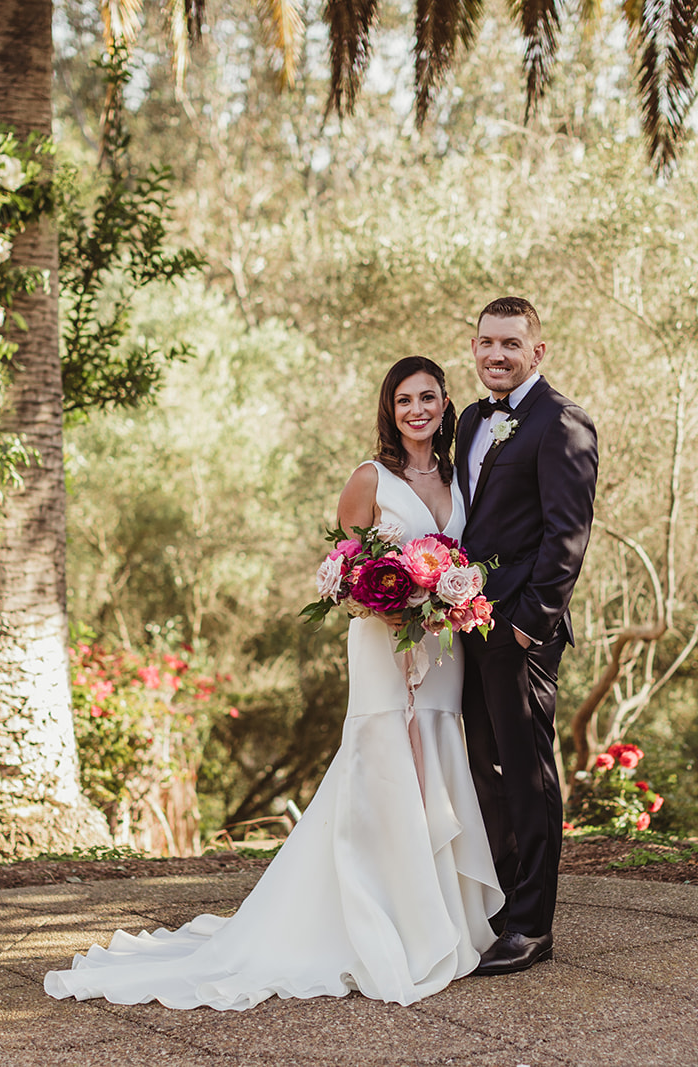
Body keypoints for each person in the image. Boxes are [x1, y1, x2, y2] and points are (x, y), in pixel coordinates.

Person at [44, 356, 503, 1010]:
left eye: (428, 397)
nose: (418, 410)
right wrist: (392, 601)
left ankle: (435, 917)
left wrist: (449, 599)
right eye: (405, 400)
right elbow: (348, 571)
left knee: (434, 759)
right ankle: (373, 923)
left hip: (440, 649)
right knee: (380, 765)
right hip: (382, 643)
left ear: (445, 401)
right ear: (389, 409)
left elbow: (458, 553)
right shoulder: (368, 477)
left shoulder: (458, 480)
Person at [456, 296, 598, 976]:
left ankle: (532, 927)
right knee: (484, 768)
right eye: (486, 342)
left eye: (510, 343)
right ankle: (505, 904)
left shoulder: (561, 423)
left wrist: (525, 627)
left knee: (530, 775)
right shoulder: (469, 423)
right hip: (465, 625)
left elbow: (565, 537)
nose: (495, 355)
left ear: (537, 351)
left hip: (519, 633)